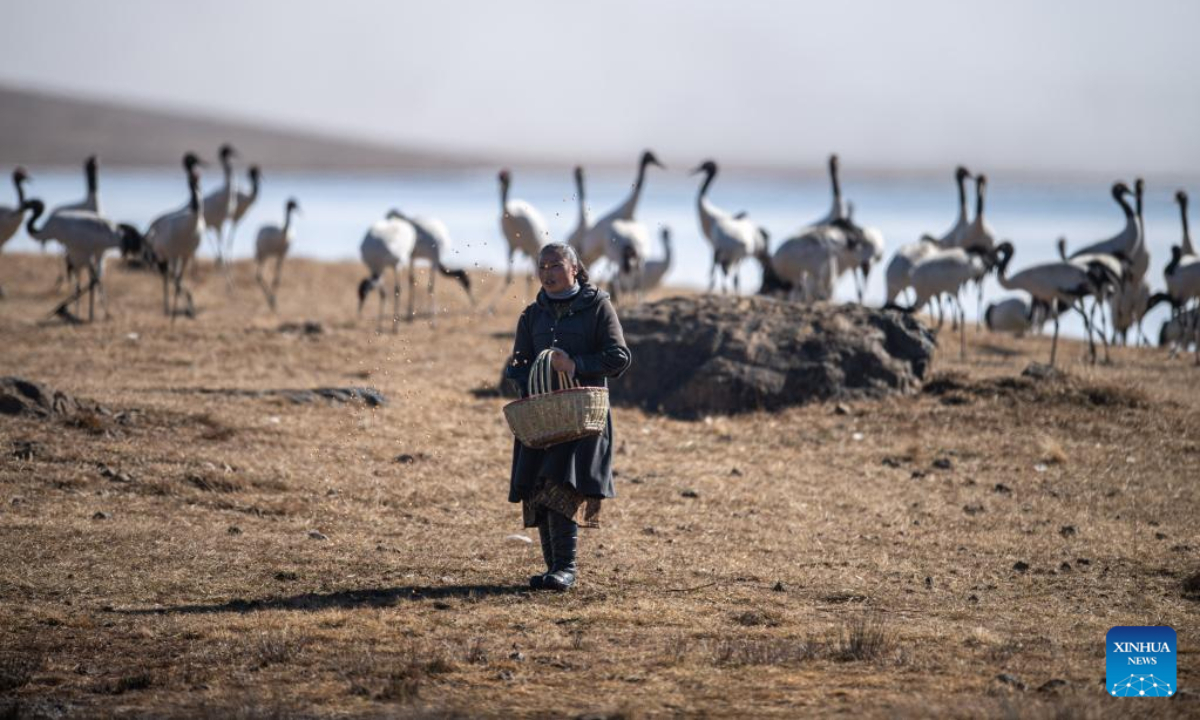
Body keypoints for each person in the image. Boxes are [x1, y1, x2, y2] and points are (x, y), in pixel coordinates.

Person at [505, 243, 632, 591]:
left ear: (574, 268)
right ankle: (553, 572)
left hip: (583, 418)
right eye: (542, 266)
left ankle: (566, 569)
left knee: (561, 481)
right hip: (542, 416)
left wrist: (575, 365)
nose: (547, 272)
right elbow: (515, 366)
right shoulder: (532, 315)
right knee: (539, 486)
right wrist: (534, 377)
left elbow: (619, 357)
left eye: (556, 265)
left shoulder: (597, 307)